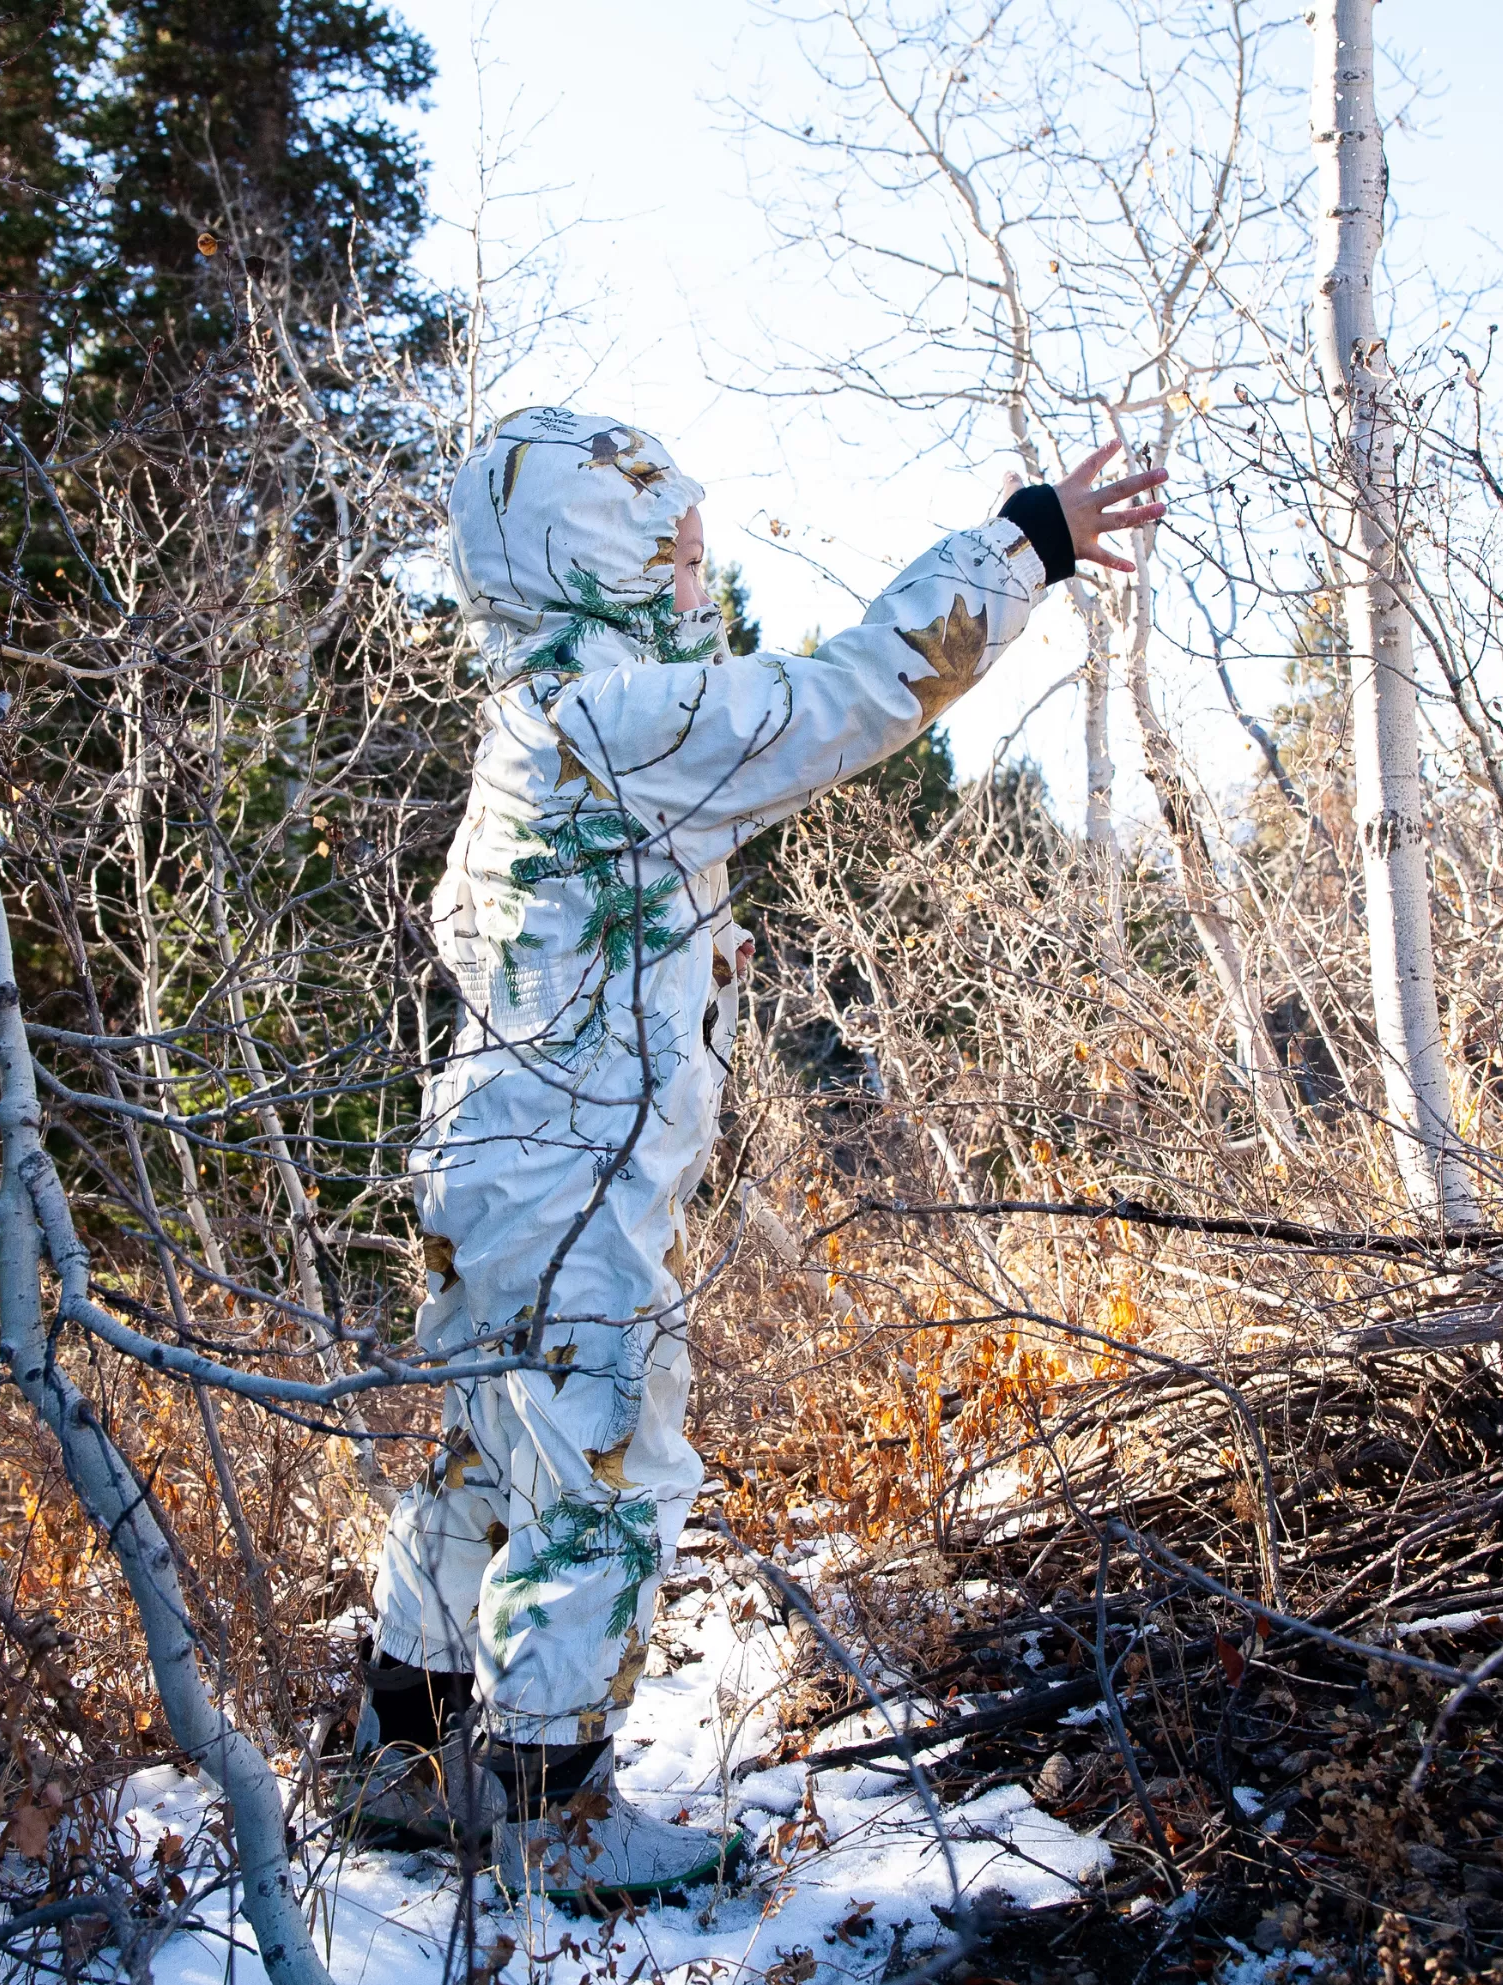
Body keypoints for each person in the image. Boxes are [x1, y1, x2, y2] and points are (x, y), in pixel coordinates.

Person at [351, 407, 1166, 1898]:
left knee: (492, 1453)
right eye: (663, 537)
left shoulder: (547, 700)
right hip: (565, 1171)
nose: (693, 559)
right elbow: (848, 695)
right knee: (608, 1468)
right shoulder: (610, 716)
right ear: (586, 558)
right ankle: (548, 1811)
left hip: (497, 1160)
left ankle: (401, 1766)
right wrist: (1024, 546)